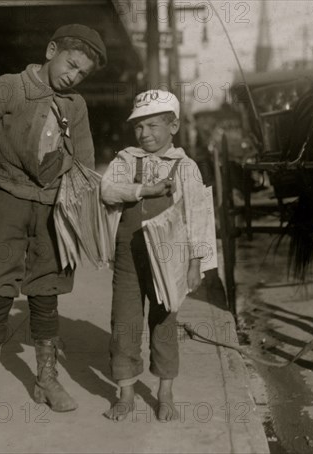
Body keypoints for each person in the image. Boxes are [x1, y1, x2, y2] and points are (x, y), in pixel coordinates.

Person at [0, 24, 107, 416]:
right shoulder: (10, 87)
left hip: (53, 207)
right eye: (71, 65)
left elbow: (85, 162)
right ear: (51, 50)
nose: (74, 76)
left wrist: (87, 215)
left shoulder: (77, 105)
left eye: (82, 73)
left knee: (46, 290)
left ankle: (46, 379)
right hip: (4, 199)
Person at [101, 90, 211, 422]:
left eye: (152, 126)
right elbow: (107, 190)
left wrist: (195, 263)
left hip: (170, 259)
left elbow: (199, 217)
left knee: (164, 323)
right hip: (129, 257)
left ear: (173, 125)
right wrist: (143, 191)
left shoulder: (185, 166)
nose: (145, 134)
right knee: (124, 323)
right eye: (139, 128)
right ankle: (126, 393)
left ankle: (165, 392)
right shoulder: (125, 160)